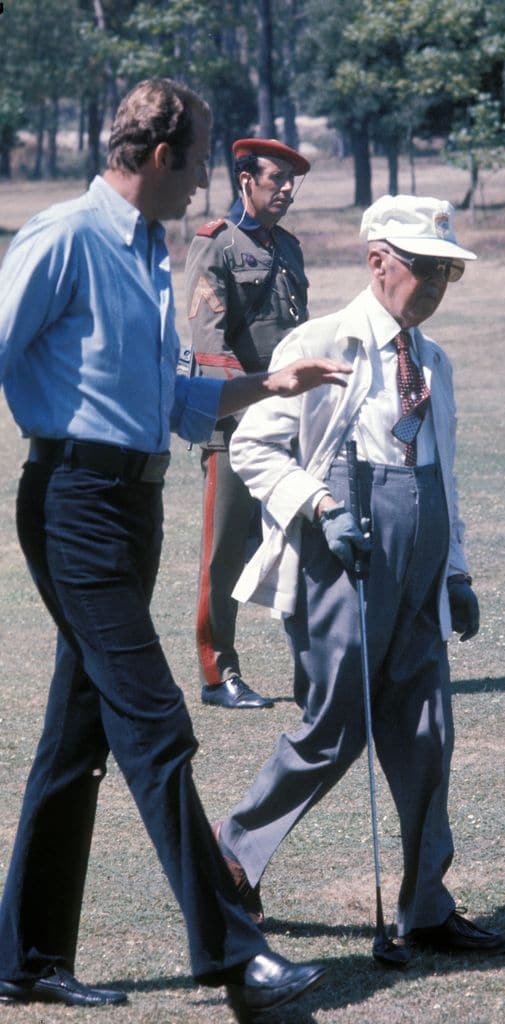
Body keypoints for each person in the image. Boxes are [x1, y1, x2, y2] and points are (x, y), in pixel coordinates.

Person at [0, 78, 351, 1018]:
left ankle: (26, 957)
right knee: (155, 723)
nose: (204, 183)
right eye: (198, 164)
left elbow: (176, 406)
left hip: (132, 507)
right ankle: (236, 955)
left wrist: (273, 383)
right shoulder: (65, 237)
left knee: (76, 740)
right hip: (73, 502)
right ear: (161, 159)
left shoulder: (149, 255)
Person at [213, 194, 505, 957]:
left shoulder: (434, 361)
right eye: (425, 269)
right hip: (342, 552)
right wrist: (318, 505)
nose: (438, 284)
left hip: (420, 557)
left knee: (426, 730)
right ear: (378, 260)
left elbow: (442, 474)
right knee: (333, 730)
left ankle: (427, 905)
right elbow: (251, 448)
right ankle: (228, 863)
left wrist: (456, 571)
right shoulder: (322, 341)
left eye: (450, 272)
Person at [182, 137, 311, 709]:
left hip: (292, 419)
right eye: (275, 178)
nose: (285, 188)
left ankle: (316, 668)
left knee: (304, 541)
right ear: (245, 181)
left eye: (291, 180)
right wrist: (256, 399)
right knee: (226, 550)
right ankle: (218, 674)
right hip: (235, 421)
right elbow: (208, 344)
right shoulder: (216, 246)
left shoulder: (289, 247)